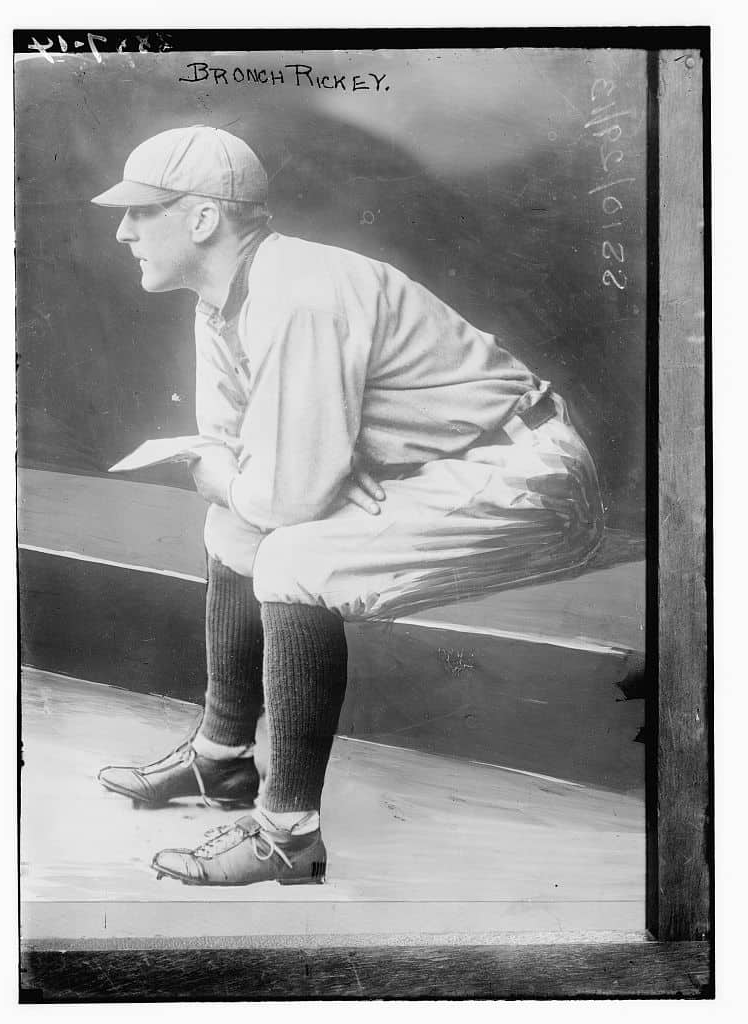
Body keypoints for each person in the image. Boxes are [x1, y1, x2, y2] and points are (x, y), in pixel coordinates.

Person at [92, 125, 604, 888]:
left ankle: (289, 835)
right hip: (436, 467)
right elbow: (233, 452)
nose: (124, 229)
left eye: (141, 211)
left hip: (525, 476)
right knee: (232, 525)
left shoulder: (296, 294)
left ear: (201, 219)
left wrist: (273, 481)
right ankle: (221, 760)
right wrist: (277, 480)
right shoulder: (220, 300)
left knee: (296, 556)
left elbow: (271, 487)